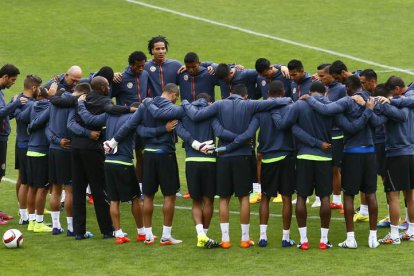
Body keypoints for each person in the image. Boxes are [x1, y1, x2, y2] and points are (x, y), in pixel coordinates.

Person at [182, 84, 291, 249]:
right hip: (244, 157)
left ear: (231, 93)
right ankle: (244, 239)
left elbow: (202, 119)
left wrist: (184, 102)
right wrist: (289, 98)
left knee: (224, 198)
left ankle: (225, 240)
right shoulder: (250, 104)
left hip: (224, 158)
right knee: (244, 197)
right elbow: (273, 103)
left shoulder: (218, 105)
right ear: (245, 96)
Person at [302, 76, 382, 249]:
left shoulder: (346, 102)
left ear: (347, 88)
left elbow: (325, 110)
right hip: (369, 152)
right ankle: (373, 237)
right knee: (371, 193)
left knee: (349, 195)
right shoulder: (369, 99)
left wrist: (309, 99)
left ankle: (351, 238)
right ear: (360, 86)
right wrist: (368, 108)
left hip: (352, 153)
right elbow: (377, 123)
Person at [105, 83, 184, 245]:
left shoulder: (145, 106)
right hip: (165, 155)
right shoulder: (172, 109)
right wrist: (164, 129)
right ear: (174, 95)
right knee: (169, 196)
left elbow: (134, 128)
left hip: (147, 156)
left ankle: (148, 235)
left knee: (148, 196)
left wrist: (113, 141)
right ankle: (166, 236)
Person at [68, 76, 132, 240]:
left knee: (78, 190)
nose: (109, 87)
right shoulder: (104, 101)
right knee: (99, 189)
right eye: (108, 85)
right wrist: (130, 109)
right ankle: (107, 230)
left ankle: (79, 232)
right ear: (103, 87)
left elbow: (71, 123)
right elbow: (111, 110)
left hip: (75, 147)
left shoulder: (81, 99)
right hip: (92, 149)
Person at [273, 82, 334, 250]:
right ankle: (323, 240)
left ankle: (304, 240)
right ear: (325, 92)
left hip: (304, 156)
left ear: (309, 92)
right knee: (325, 198)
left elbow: (285, 125)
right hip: (325, 157)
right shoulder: (330, 105)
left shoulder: (300, 104)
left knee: (301, 197)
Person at [78, 99, 147, 244]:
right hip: (124, 162)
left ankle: (119, 234)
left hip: (108, 162)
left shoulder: (109, 115)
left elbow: (89, 119)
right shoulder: (133, 118)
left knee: (114, 200)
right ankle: (141, 233)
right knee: (135, 199)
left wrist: (81, 104)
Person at [46, 83, 92, 236]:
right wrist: (87, 133)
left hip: (53, 149)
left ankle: (56, 226)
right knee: (70, 191)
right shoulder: (75, 104)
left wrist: (55, 140)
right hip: (67, 150)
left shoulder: (55, 100)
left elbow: (47, 125)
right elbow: (71, 125)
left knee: (56, 190)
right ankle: (72, 228)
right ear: (83, 94)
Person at [376, 76, 414, 244]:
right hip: (412, 152)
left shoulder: (398, 103)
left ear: (397, 90)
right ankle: (411, 231)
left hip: (397, 153)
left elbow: (400, 117)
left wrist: (383, 104)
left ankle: (394, 234)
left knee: (393, 195)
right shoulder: (409, 101)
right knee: (410, 194)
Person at [111, 51, 150, 187]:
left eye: (142, 66)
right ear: (131, 65)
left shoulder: (145, 74)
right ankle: (123, 184)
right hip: (125, 122)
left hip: (142, 121)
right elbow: (108, 98)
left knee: (141, 153)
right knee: (125, 155)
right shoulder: (120, 79)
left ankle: (139, 185)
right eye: (138, 66)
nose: (141, 69)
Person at [12, 75, 41, 225]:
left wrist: (15, 104)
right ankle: (24, 215)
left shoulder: (17, 99)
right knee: (27, 181)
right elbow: (22, 118)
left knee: (22, 178)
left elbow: (10, 114)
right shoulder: (30, 104)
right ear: (34, 88)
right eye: (39, 87)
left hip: (19, 143)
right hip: (27, 145)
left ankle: (23, 210)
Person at [317, 64, 347, 210]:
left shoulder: (341, 89)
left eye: (322, 76)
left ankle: (337, 199)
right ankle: (327, 196)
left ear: (331, 75)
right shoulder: (325, 88)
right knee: (328, 167)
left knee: (336, 167)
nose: (320, 79)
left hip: (336, 134)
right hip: (326, 133)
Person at [0, 64, 26, 225]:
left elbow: (4, 115)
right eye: (12, 80)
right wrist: (15, 104)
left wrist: (12, 105)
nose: (13, 83)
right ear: (4, 77)